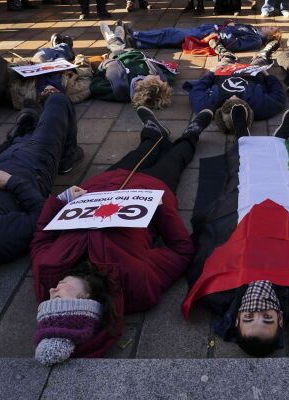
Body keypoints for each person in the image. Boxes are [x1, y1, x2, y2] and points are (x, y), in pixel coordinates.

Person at [31, 107, 214, 364]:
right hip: (149, 193)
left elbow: (41, 238)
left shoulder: (46, 272)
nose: (50, 290)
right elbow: (181, 251)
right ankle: (192, 134)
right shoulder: (136, 285)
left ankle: (153, 135)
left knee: (139, 154)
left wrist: (62, 201)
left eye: (47, 299)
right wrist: (162, 210)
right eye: (57, 298)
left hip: (98, 188)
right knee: (175, 161)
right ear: (85, 301)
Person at [181, 105, 289, 357]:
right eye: (266, 317)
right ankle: (278, 142)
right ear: (280, 320)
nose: (259, 308)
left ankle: (243, 135)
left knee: (239, 182)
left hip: (239, 223)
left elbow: (200, 258)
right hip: (283, 218)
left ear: (236, 321)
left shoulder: (215, 297)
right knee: (283, 181)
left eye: (249, 316)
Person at [0, 94, 83, 287]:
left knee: (27, 131)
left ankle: (27, 129)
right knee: (58, 100)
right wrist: (12, 182)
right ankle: (67, 154)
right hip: (32, 164)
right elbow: (42, 217)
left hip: (0, 159)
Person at [183, 38, 285, 124]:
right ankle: (262, 55)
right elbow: (278, 94)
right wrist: (267, 75)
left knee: (224, 61)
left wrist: (211, 73)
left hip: (224, 71)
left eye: (229, 101)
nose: (233, 95)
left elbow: (197, 89)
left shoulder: (206, 106)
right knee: (260, 62)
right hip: (252, 72)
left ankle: (227, 55)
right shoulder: (262, 107)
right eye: (239, 100)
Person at [92, 24, 176, 108]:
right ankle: (119, 39)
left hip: (117, 58)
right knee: (125, 47)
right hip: (134, 53)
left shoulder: (118, 90)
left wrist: (101, 70)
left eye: (158, 79)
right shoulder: (155, 79)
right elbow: (169, 75)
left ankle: (113, 39)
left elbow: (95, 87)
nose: (158, 77)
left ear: (146, 85)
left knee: (116, 48)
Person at [9, 35, 93, 110]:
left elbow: (10, 76)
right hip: (61, 65)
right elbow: (85, 74)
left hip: (39, 62)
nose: (50, 88)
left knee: (42, 53)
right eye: (54, 91)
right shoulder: (76, 92)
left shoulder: (23, 98)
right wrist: (79, 59)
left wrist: (25, 65)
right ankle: (64, 47)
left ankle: (60, 46)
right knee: (62, 54)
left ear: (41, 94)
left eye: (46, 91)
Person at [123, 22, 281, 53]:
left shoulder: (256, 39)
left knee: (171, 34)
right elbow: (232, 27)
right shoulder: (253, 29)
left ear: (271, 35)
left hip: (210, 36)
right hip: (208, 29)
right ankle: (138, 42)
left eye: (272, 28)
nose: (269, 26)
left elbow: (235, 44)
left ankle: (137, 36)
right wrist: (229, 24)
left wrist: (226, 30)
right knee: (172, 39)